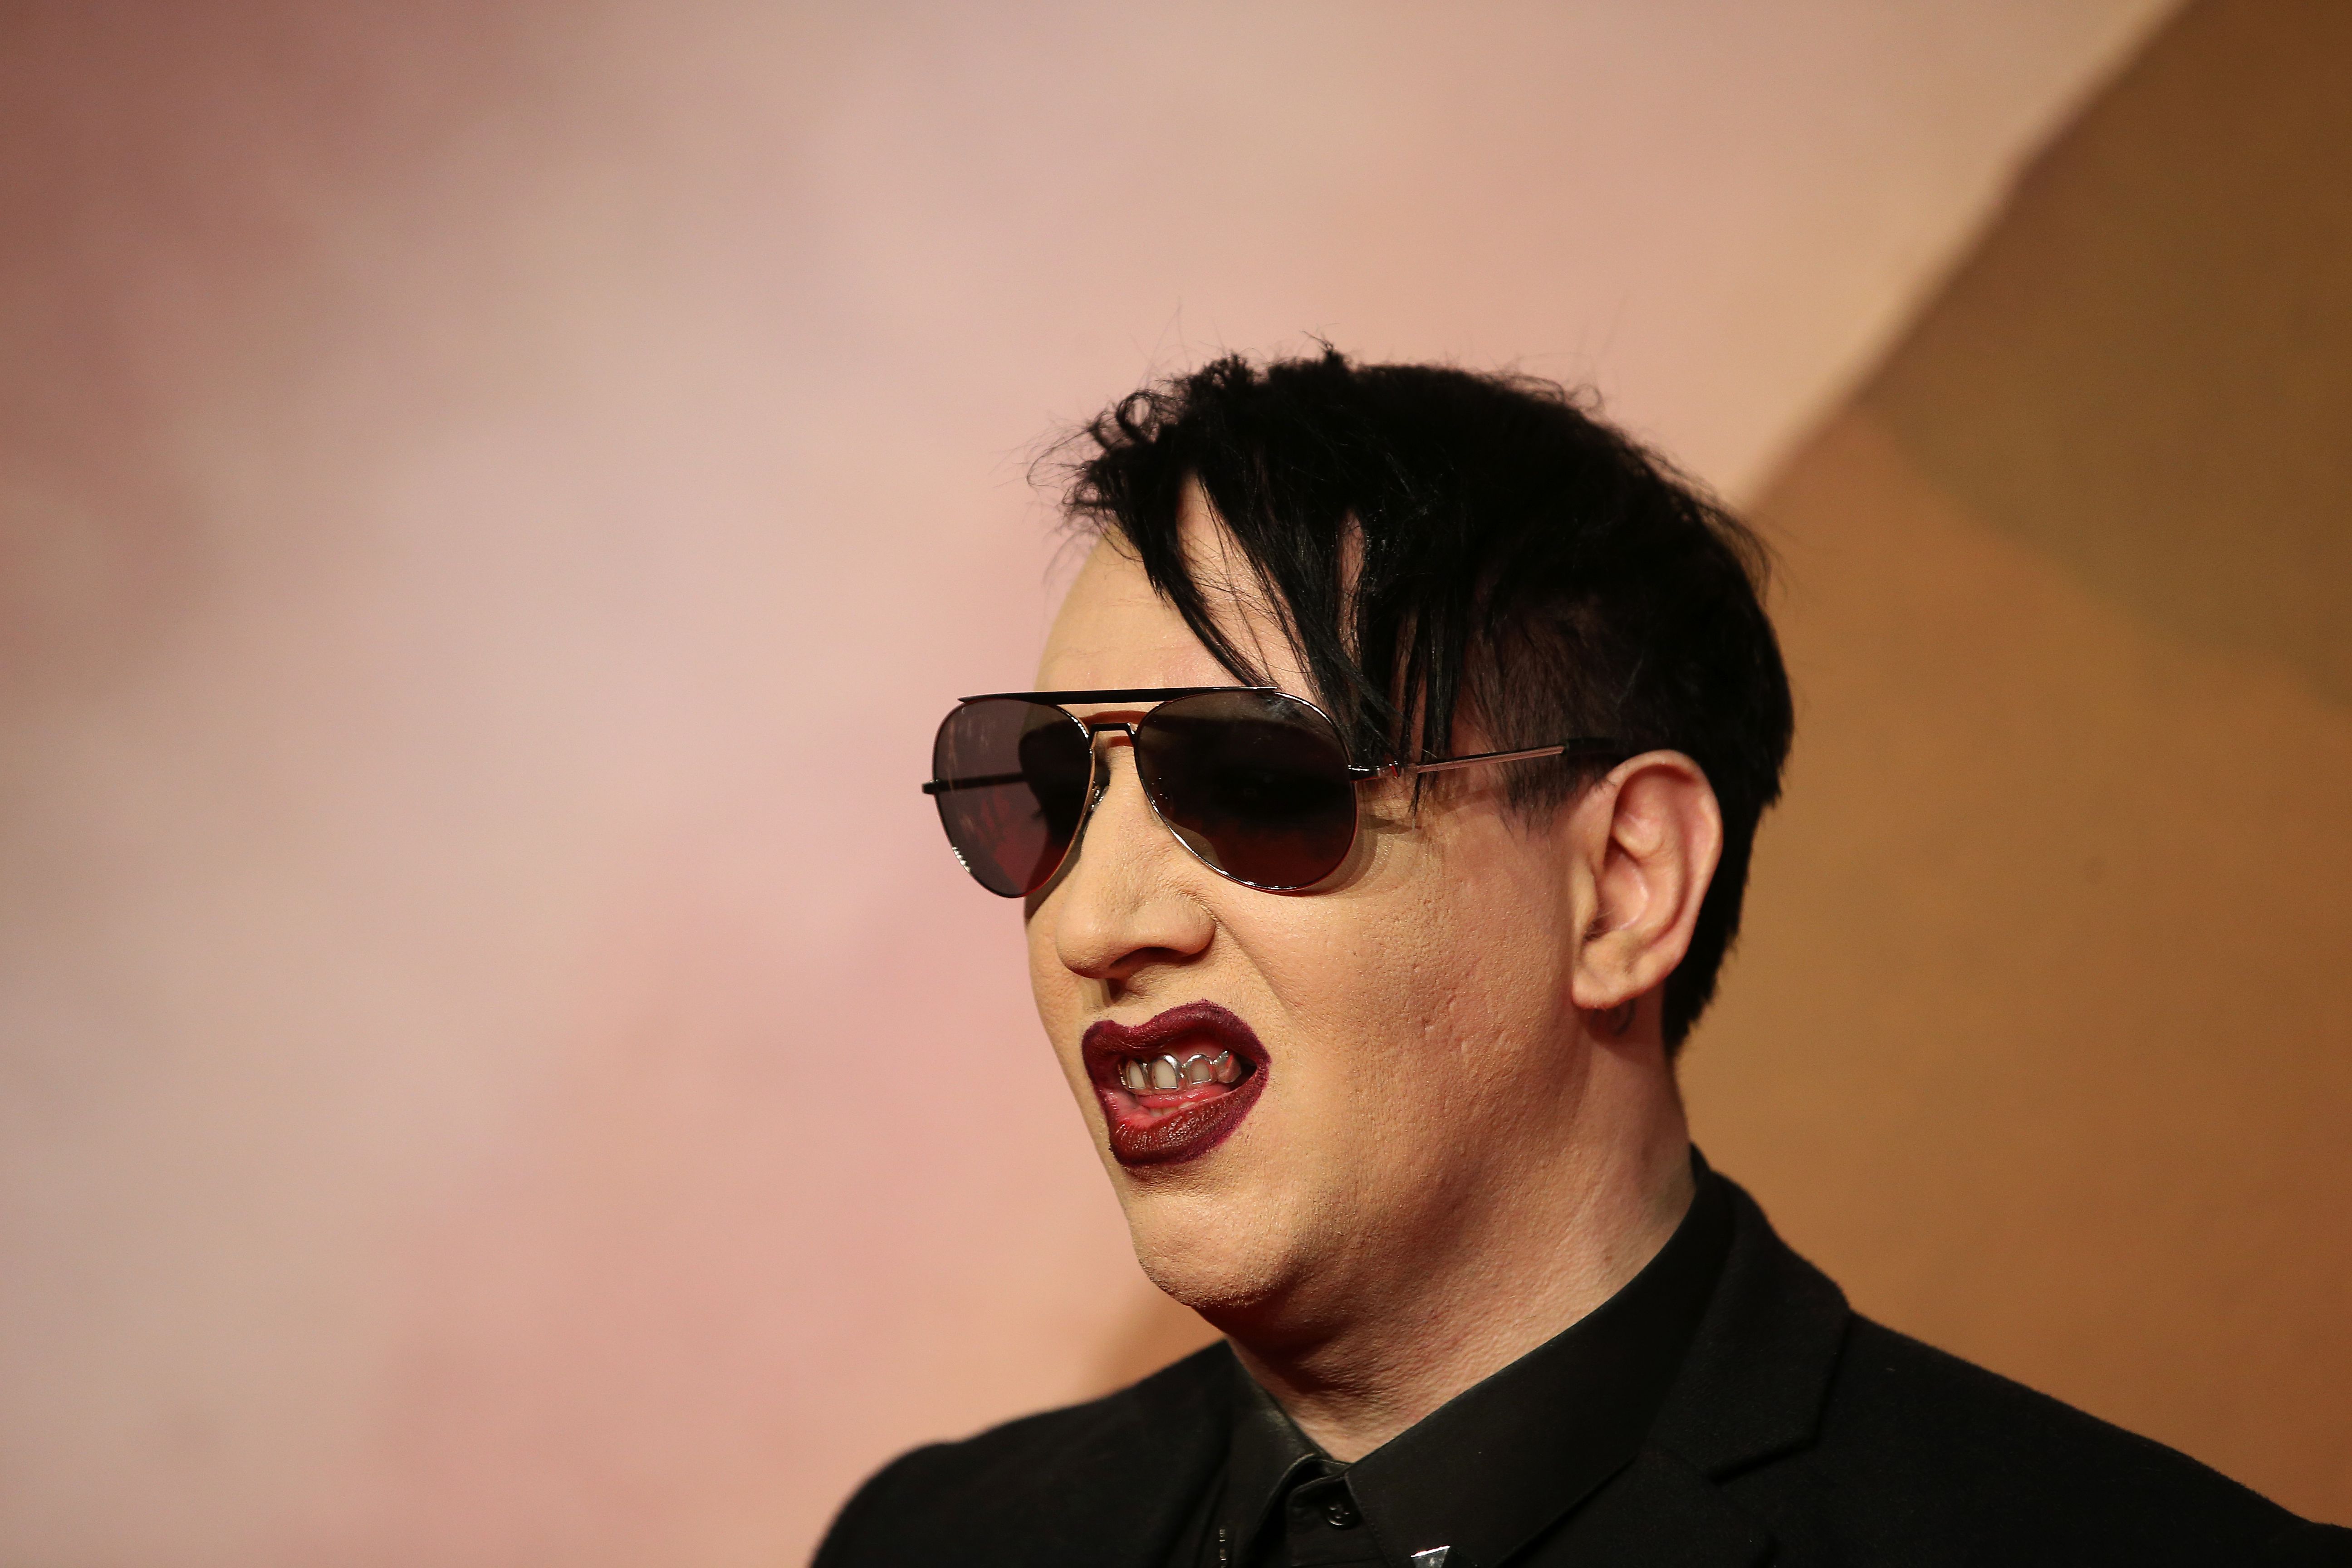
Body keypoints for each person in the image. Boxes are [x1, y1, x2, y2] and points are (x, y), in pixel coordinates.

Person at [815, 351, 2349, 1567]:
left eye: (1259, 784)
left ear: (1622, 883)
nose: (1094, 922)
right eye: (1048, 791)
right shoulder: (937, 1543)